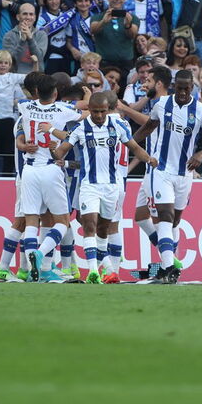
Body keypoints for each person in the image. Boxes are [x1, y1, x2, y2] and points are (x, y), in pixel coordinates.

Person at [54, 92, 156, 282]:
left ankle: (109, 270)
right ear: (89, 110)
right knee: (89, 225)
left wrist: (148, 159)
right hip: (89, 185)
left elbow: (134, 147)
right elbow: (61, 150)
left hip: (111, 186)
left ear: (107, 110)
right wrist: (55, 152)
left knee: (103, 229)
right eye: (95, 112)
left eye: (102, 111)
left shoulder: (117, 125)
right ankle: (93, 271)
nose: (99, 115)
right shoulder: (80, 128)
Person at [132, 70, 202, 284]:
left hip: (185, 174)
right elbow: (147, 128)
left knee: (175, 222)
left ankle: (169, 264)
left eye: (186, 88)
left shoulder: (201, 111)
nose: (182, 92)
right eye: (179, 88)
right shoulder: (162, 104)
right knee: (165, 215)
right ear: (174, 86)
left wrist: (201, 154)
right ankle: (168, 266)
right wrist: (129, 146)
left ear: (192, 87)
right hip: (161, 169)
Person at [18, 74, 84, 283]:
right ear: (55, 93)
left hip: (28, 169)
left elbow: (24, 101)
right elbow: (86, 114)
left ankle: (30, 269)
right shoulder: (63, 110)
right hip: (51, 167)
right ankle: (40, 253)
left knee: (31, 221)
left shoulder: (25, 107)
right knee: (62, 222)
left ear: (36, 92)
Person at [2, 3, 46, 74]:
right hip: (15, 77)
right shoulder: (9, 36)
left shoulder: (41, 35)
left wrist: (30, 39)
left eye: (31, 14)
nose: (28, 17)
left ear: (35, 18)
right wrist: (22, 41)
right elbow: (11, 61)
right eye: (25, 14)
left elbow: (39, 58)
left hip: (36, 77)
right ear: (18, 17)